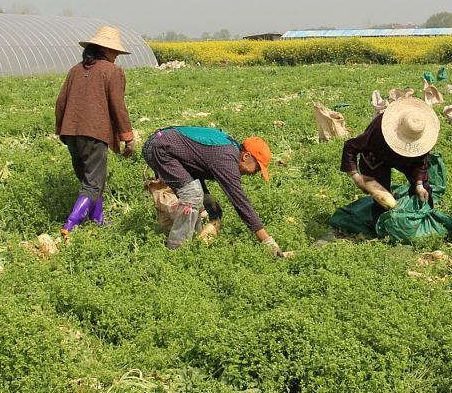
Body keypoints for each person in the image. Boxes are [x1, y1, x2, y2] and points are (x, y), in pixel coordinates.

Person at [142, 126, 287, 256]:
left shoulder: (229, 151)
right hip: (160, 148)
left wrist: (211, 205)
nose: (255, 173)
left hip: (162, 145)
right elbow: (241, 203)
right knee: (192, 196)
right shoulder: (227, 159)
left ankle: (194, 245)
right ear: (246, 156)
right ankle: (176, 254)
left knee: (197, 195)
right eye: (257, 168)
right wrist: (267, 241)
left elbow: (194, 168)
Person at [55, 26, 136, 234]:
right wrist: (127, 136)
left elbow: (60, 102)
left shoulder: (75, 70)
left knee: (90, 180)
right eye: (114, 50)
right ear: (103, 49)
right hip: (94, 134)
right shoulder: (112, 71)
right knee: (92, 184)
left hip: (71, 132)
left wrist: (62, 130)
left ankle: (97, 219)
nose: (117, 54)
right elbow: (118, 105)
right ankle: (71, 224)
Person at [341, 97, 440, 218]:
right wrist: (356, 176)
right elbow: (351, 147)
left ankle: (421, 218)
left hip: (407, 158)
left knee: (424, 189)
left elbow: (420, 161)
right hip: (376, 156)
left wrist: (419, 185)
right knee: (382, 197)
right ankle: (380, 226)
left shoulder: (421, 138)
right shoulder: (379, 131)